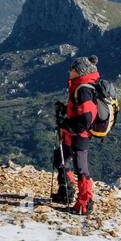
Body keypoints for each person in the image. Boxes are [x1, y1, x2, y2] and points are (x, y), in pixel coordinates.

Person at [52, 55, 100, 215]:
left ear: (79, 71)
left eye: (72, 69)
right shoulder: (79, 86)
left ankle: (84, 203)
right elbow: (78, 111)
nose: (69, 71)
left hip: (80, 135)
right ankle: (66, 192)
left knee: (81, 169)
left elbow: (86, 118)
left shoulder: (84, 89)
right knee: (60, 158)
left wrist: (65, 124)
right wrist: (65, 110)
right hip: (71, 133)